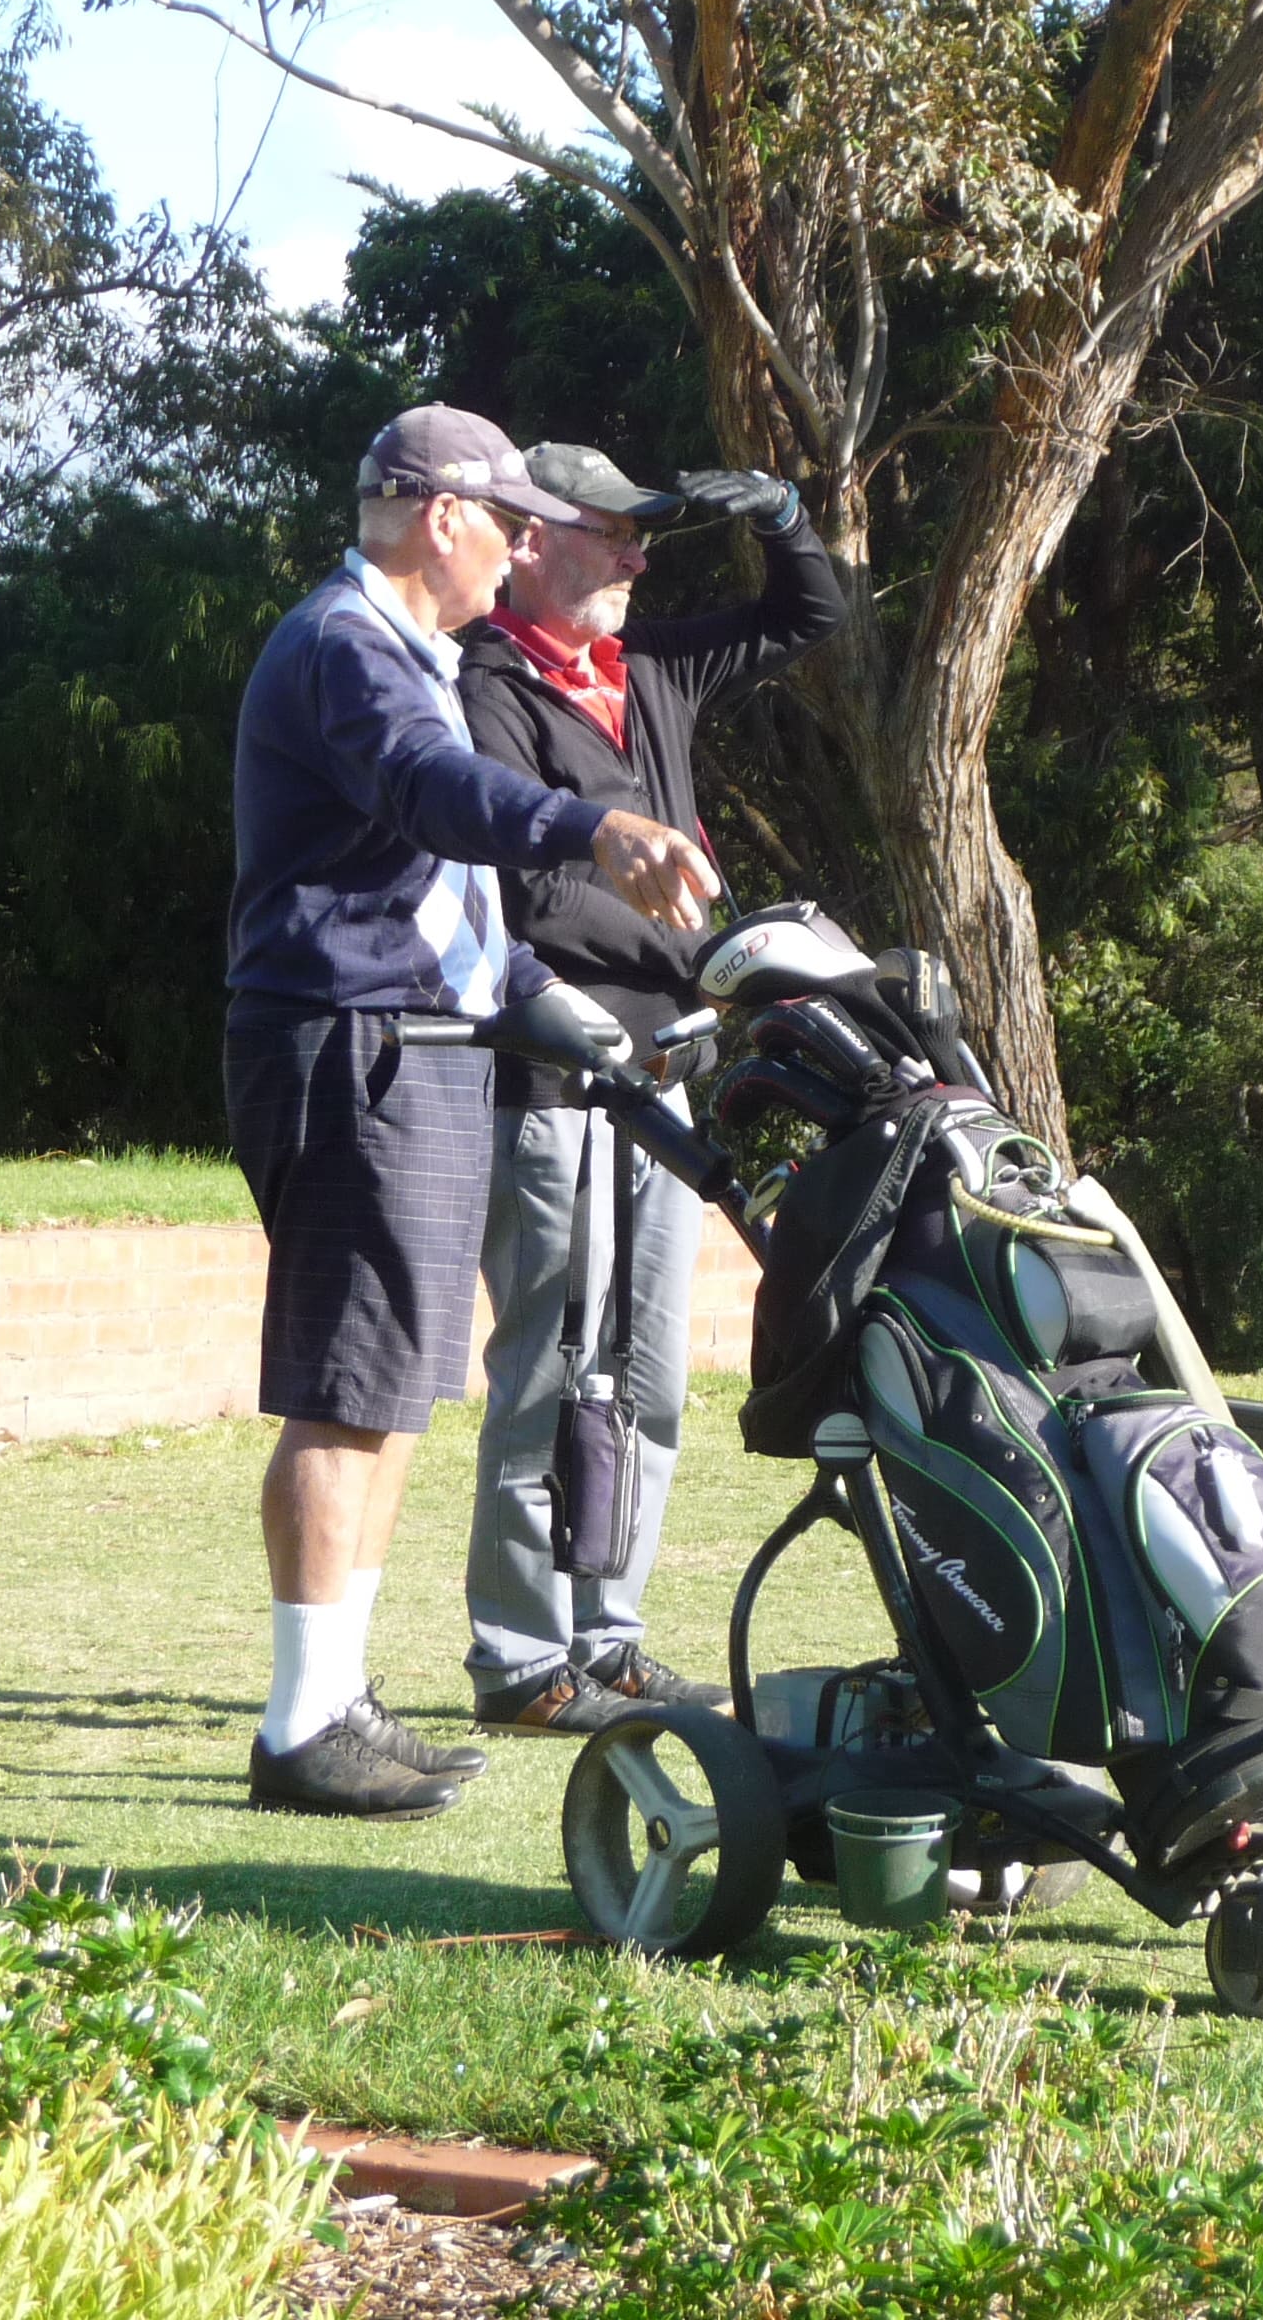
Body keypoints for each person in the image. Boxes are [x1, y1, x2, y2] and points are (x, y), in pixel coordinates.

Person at [225, 404, 723, 1822]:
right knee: (344, 1392)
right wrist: (591, 825)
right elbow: (432, 793)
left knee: (390, 1393)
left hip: (423, 1043)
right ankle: (298, 1726)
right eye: (506, 524)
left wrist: (529, 988)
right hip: (353, 1046)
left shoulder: (410, 653)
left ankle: (337, 1701)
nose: (516, 553)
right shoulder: (345, 645)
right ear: (441, 515)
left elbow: (434, 889)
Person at [456, 444, 845, 1732]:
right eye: (611, 532)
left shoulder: (652, 665)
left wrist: (783, 515)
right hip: (555, 1069)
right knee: (550, 1366)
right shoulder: (486, 685)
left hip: (670, 1068)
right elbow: (529, 894)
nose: (635, 555)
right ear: (530, 541)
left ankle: (609, 1638)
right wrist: (688, 947)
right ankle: (522, 1660)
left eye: (644, 535)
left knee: (649, 1370)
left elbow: (810, 612)